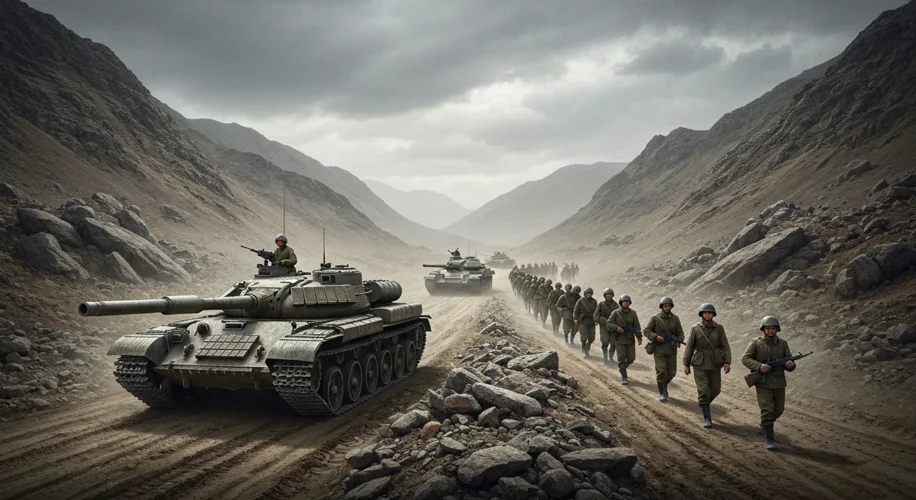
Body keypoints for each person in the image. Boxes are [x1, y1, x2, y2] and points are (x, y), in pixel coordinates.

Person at [742, 316, 795, 450]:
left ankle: (765, 424)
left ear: (777, 329)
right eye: (768, 328)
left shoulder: (783, 343)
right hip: (763, 382)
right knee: (767, 409)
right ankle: (770, 439)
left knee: (779, 409)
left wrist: (790, 365)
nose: (771, 331)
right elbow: (745, 359)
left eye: (773, 329)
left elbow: (789, 362)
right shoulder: (756, 343)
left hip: (778, 381)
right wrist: (759, 366)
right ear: (763, 329)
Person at [683, 303, 731, 427]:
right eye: (705, 313)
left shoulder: (719, 328)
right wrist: (686, 364)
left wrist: (727, 362)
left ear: (713, 315)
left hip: (715, 362)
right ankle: (707, 418)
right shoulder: (695, 328)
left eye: (710, 313)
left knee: (715, 389)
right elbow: (689, 347)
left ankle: (704, 404)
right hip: (699, 362)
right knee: (703, 390)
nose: (707, 315)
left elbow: (725, 346)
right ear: (702, 315)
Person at [644, 297, 685, 402]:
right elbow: (647, 330)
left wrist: (679, 340)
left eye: (669, 306)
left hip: (671, 349)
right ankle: (662, 392)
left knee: (672, 373)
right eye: (665, 306)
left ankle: (663, 385)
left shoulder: (675, 318)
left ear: (671, 306)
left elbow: (680, 332)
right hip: (659, 349)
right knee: (661, 371)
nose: (667, 308)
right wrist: (656, 337)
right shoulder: (655, 318)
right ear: (662, 307)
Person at [607, 295, 641, 385]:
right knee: (621, 358)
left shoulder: (633, 313)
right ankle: (624, 375)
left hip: (630, 339)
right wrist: (616, 328)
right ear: (621, 303)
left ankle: (623, 368)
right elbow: (608, 323)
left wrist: (639, 337)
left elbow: (637, 326)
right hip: (620, 339)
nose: (626, 303)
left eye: (628, 301)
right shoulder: (615, 313)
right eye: (624, 301)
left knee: (631, 358)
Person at [594, 288, 619, 365]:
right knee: (605, 341)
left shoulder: (616, 305)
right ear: (605, 296)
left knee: (613, 343)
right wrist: (596, 320)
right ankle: (605, 358)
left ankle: (611, 358)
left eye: (610, 295)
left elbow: (619, 315)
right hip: (604, 326)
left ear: (612, 295)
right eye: (607, 295)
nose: (609, 296)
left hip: (613, 326)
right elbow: (596, 313)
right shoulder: (601, 304)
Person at [574, 287, 598, 358]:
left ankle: (587, 346)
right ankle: (585, 351)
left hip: (591, 321)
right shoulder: (580, 300)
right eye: (587, 293)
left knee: (592, 338)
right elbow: (576, 310)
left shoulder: (594, 301)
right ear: (585, 294)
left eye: (590, 293)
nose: (589, 294)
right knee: (584, 337)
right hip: (583, 321)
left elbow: (596, 312)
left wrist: (596, 320)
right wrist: (575, 318)